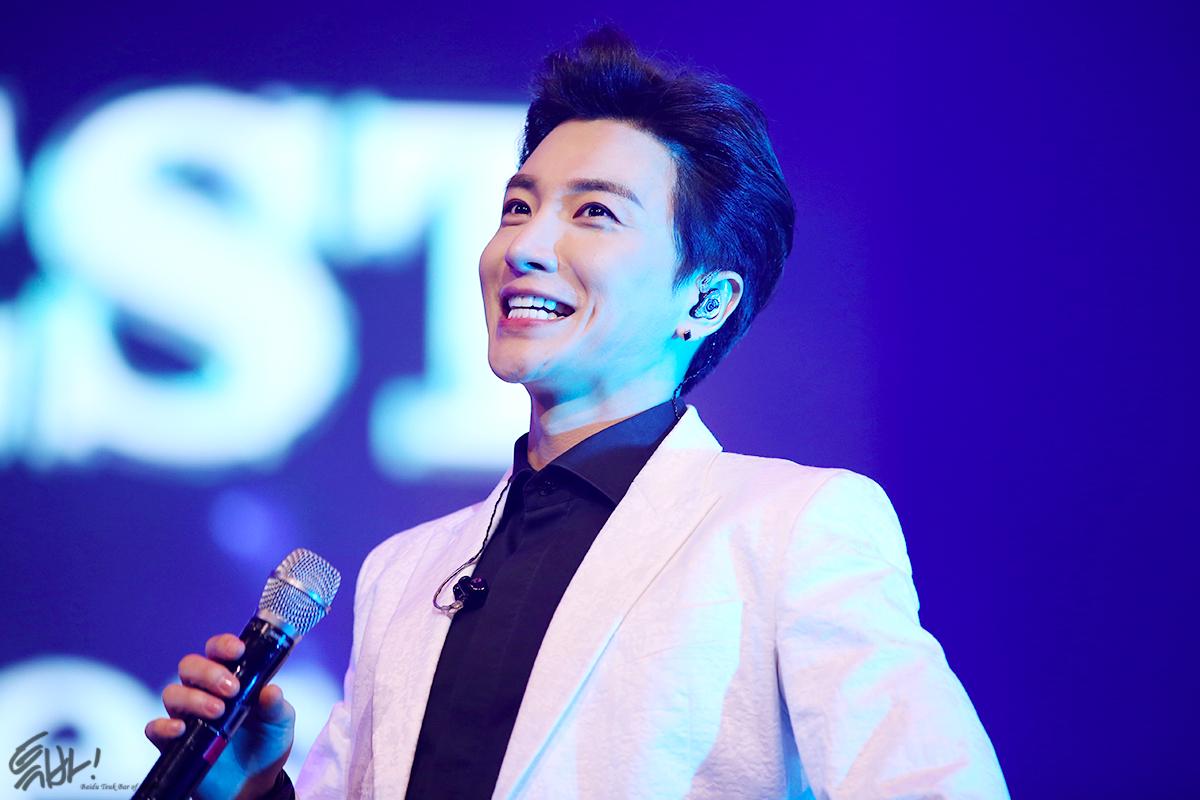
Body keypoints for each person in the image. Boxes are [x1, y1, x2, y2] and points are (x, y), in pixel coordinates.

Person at [146, 28, 1009, 799]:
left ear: (704, 300)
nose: (523, 245)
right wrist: (253, 790)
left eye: (594, 213)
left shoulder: (790, 527)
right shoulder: (402, 573)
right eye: (517, 208)